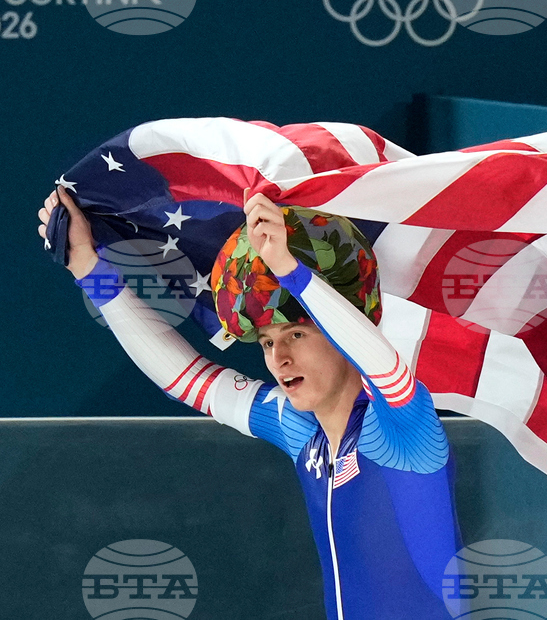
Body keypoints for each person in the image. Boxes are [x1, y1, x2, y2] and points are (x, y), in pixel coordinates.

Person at [38, 186, 463, 620]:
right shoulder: (302, 434)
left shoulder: (402, 430)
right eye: (266, 342)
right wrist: (89, 267)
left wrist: (287, 267)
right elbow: (184, 378)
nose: (279, 359)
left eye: (296, 335)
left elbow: (381, 365)